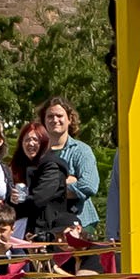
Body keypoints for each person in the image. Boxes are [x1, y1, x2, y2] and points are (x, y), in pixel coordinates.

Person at [38, 98, 100, 232]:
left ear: (69, 119)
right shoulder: (38, 153)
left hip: (79, 224)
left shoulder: (81, 150)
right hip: (46, 225)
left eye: (59, 116)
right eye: (50, 116)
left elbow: (89, 186)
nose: (55, 120)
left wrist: (50, 189)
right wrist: (68, 182)